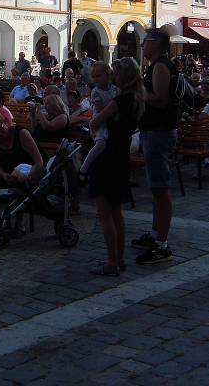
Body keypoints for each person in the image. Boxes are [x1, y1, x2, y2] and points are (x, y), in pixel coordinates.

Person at [85, 57, 144, 276]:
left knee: (105, 213)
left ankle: (111, 262)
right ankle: (119, 258)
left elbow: (95, 122)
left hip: (107, 156)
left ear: (123, 77)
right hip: (121, 155)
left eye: (116, 73)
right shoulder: (137, 99)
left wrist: (91, 119)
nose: (113, 77)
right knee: (117, 212)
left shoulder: (119, 101)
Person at [132, 28, 177, 265]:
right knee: (156, 188)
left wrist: (139, 93)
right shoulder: (156, 65)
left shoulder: (160, 66)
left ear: (156, 43)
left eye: (144, 41)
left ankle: (162, 243)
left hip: (160, 132)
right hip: (154, 131)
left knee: (160, 189)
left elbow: (161, 99)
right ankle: (154, 232)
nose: (141, 45)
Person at [79, 62, 119, 180]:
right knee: (101, 142)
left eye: (99, 76)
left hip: (111, 120)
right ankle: (84, 167)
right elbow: (99, 108)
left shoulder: (115, 89)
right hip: (100, 120)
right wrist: (113, 108)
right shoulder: (96, 91)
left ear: (108, 75)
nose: (96, 79)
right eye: (94, 76)